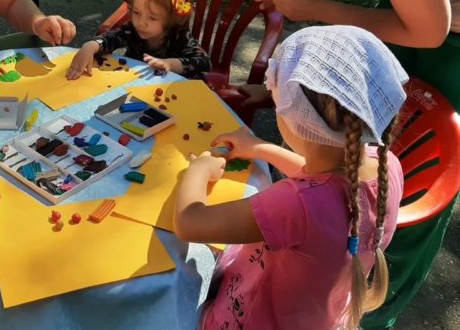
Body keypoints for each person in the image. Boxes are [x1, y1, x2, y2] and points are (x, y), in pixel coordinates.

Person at [238, 0, 460, 326]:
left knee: (418, 177)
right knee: (365, 144)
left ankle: (375, 311)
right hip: (418, 8)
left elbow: (429, 30)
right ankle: (339, 268)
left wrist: (321, 8)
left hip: (448, 37)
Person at [173, 26, 407, 329]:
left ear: (297, 119)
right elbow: (320, 182)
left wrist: (197, 172)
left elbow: (190, 223)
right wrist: (262, 149)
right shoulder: (386, 163)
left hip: (255, 319)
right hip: (320, 314)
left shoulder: (293, 204)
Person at [66, 0, 211, 80]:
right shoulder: (133, 30)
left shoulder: (178, 35)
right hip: (136, 89)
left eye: (153, 17)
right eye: (136, 12)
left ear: (173, 17)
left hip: (174, 96)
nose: (141, 22)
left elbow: (204, 63)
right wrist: (90, 46)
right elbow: (111, 38)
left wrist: (170, 64)